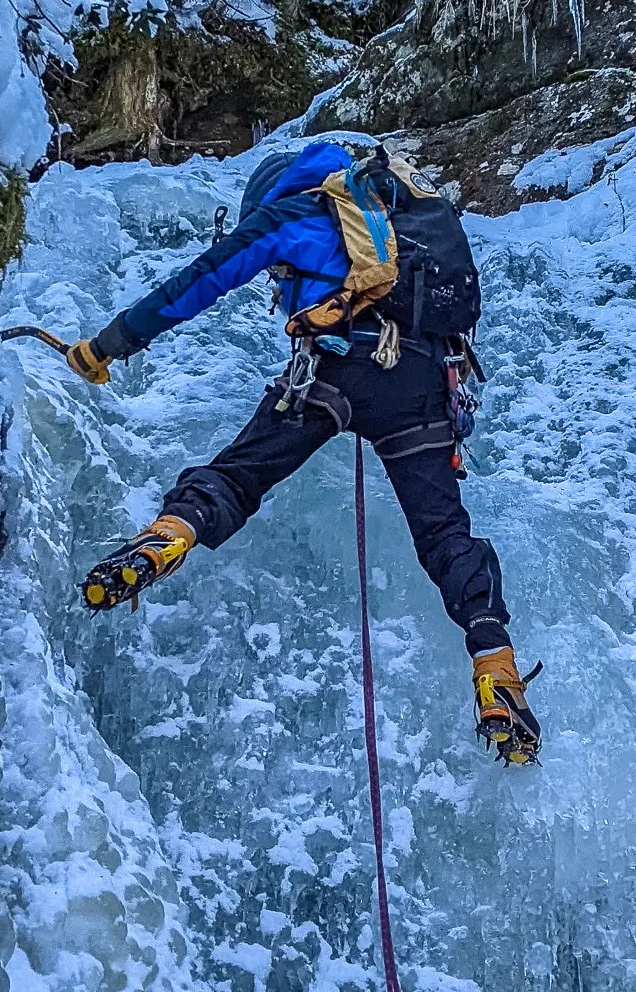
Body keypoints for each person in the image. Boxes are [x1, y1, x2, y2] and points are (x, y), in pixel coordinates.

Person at [60, 140, 542, 764]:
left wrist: (106, 346)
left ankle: (169, 536)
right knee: (446, 533)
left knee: (239, 474)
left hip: (334, 371)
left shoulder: (290, 215)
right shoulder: (397, 220)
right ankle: (495, 666)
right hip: (422, 386)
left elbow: (198, 282)